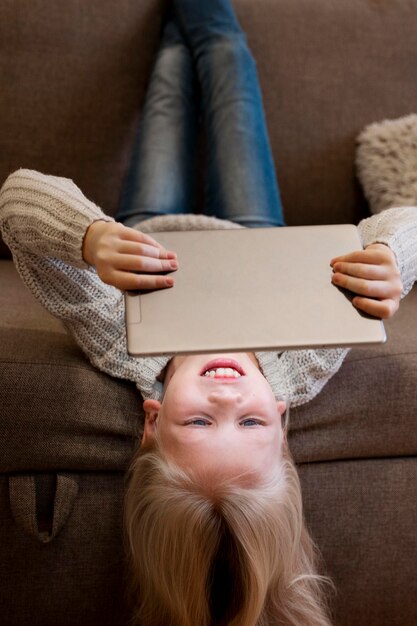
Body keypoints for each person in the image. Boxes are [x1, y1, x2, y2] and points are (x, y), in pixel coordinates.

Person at [1, 0, 416, 624]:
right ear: (283, 421)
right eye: (250, 424)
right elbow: (409, 222)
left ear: (152, 420)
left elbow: (17, 197)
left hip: (150, 229)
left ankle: (177, 22)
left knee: (170, 82)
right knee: (226, 67)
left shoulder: (121, 343)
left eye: (197, 423)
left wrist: (89, 238)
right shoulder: (300, 362)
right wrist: (389, 256)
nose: (227, 398)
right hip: (255, 232)